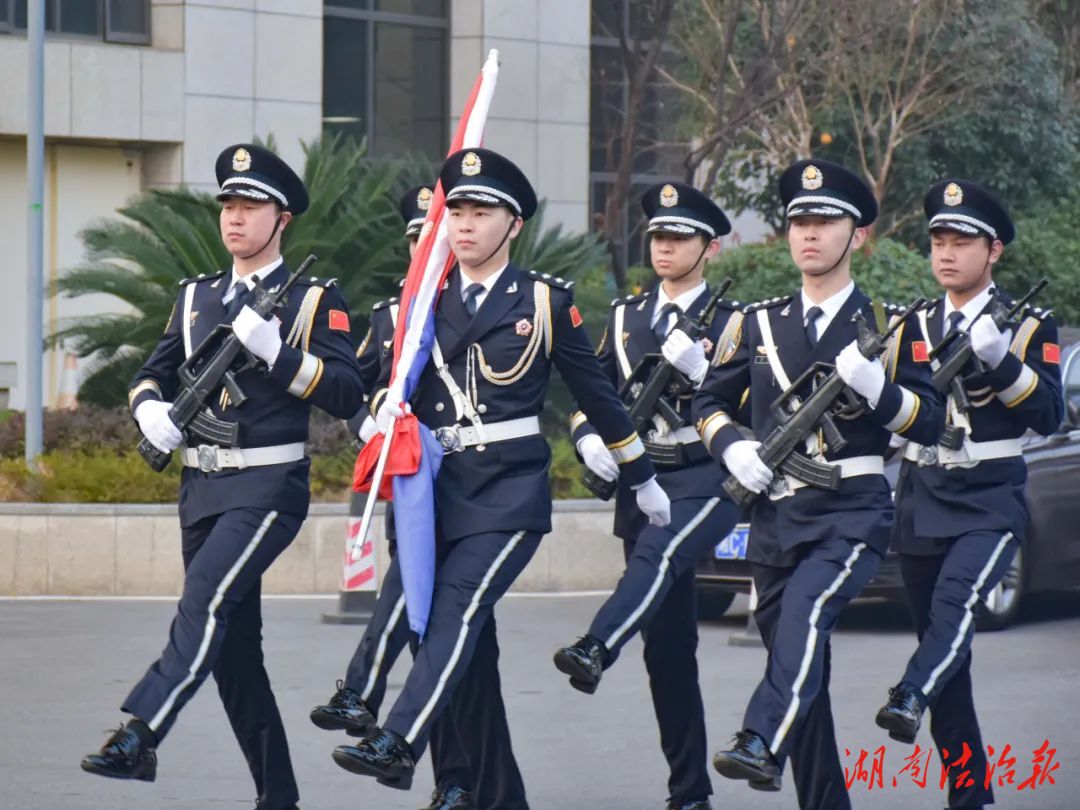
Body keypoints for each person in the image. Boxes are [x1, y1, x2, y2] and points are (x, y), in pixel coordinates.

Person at [330, 147, 671, 808]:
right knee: (446, 634)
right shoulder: (418, 303)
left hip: (508, 494)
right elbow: (382, 387)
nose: (463, 223)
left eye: (480, 211)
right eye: (456, 209)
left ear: (513, 224)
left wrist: (642, 475)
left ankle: (396, 738)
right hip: (432, 493)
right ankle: (480, 789)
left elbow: (598, 396)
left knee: (454, 608)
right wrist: (377, 415)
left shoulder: (543, 302)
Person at [80, 144, 365, 810]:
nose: (235, 219)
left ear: (282, 217)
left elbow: (349, 392)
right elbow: (151, 372)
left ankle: (141, 731)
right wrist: (149, 408)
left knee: (203, 600)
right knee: (235, 659)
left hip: (268, 490)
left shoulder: (314, 298)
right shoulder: (194, 298)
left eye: (251, 206)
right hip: (200, 491)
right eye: (229, 206)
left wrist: (280, 356)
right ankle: (279, 798)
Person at [692, 158, 943, 808]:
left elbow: (931, 422)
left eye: (824, 221)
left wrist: (878, 390)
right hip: (775, 521)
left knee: (801, 624)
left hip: (851, 515)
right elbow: (707, 403)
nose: (809, 233)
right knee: (798, 668)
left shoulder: (890, 325)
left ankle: (757, 738)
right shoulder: (757, 323)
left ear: (856, 234)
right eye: (799, 220)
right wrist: (732, 444)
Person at [874, 179, 1062, 810]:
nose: (947, 254)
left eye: (962, 242)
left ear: (995, 252)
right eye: (939, 242)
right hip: (923, 494)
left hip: (988, 498)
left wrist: (1003, 363)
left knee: (954, 611)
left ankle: (906, 691)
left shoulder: (1029, 325)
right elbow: (896, 417)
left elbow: (1050, 414)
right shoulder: (910, 327)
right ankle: (970, 795)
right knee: (946, 660)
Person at [553, 182, 742, 810]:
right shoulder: (629, 316)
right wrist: (588, 441)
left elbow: (754, 404)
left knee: (655, 559)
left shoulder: (732, 319)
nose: (664, 246)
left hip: (701, 475)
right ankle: (689, 792)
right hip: (641, 480)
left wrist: (704, 376)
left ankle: (596, 644)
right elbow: (594, 391)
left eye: (679, 237)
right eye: (658, 235)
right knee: (668, 653)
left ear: (709, 247)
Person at [312, 183, 477, 810]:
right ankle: (447, 778)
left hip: (466, 497)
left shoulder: (470, 312)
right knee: (428, 643)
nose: (421, 247)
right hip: (410, 499)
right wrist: (371, 423)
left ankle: (444, 769)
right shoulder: (389, 318)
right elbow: (351, 388)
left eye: (430, 237)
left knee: (447, 648)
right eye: (414, 238)